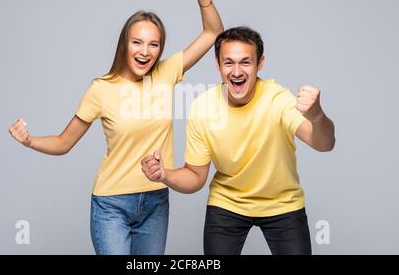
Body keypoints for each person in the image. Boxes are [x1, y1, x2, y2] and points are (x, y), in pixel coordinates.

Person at [8, 0, 223, 255]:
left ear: (159, 50)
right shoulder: (101, 89)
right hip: (111, 205)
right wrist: (29, 140)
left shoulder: (167, 72)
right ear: (124, 44)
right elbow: (63, 142)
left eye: (153, 44)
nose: (145, 51)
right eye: (137, 42)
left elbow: (213, 33)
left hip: (156, 201)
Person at [141, 26, 335, 255]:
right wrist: (165, 175)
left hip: (282, 204)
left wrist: (316, 115)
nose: (237, 71)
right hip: (227, 204)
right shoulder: (202, 107)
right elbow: (195, 176)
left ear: (259, 64)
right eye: (228, 62)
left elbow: (324, 144)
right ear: (218, 65)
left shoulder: (277, 98)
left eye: (245, 62)